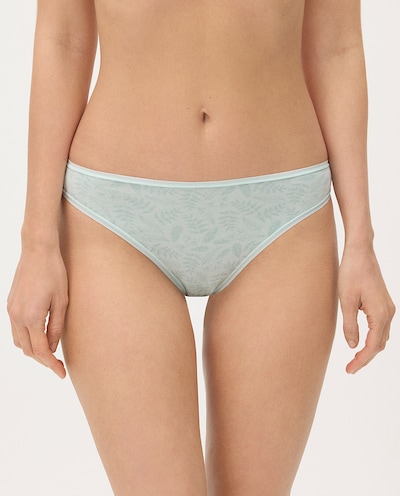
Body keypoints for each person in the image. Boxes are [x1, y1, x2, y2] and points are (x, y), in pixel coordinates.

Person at [6, 1, 395, 495]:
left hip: (283, 221)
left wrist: (361, 239)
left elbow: (336, 47)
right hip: (114, 223)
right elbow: (63, 41)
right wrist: (37, 243)